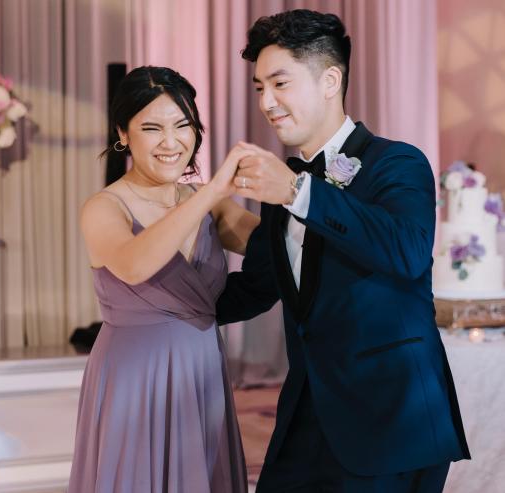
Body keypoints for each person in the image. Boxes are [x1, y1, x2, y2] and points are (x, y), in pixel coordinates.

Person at [217, 9, 470, 492]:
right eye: (259, 88)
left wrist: (298, 192)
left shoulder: (397, 162)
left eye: (279, 84)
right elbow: (257, 288)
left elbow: (407, 251)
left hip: (390, 424)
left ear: (330, 80)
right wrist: (158, 308)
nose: (266, 102)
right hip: (303, 421)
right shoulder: (284, 184)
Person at [68, 65, 259, 492]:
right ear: (123, 134)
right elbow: (134, 264)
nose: (171, 142)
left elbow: (278, 248)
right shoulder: (104, 207)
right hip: (134, 379)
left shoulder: (206, 202)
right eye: (152, 128)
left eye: (182, 125)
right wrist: (211, 193)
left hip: (202, 371)